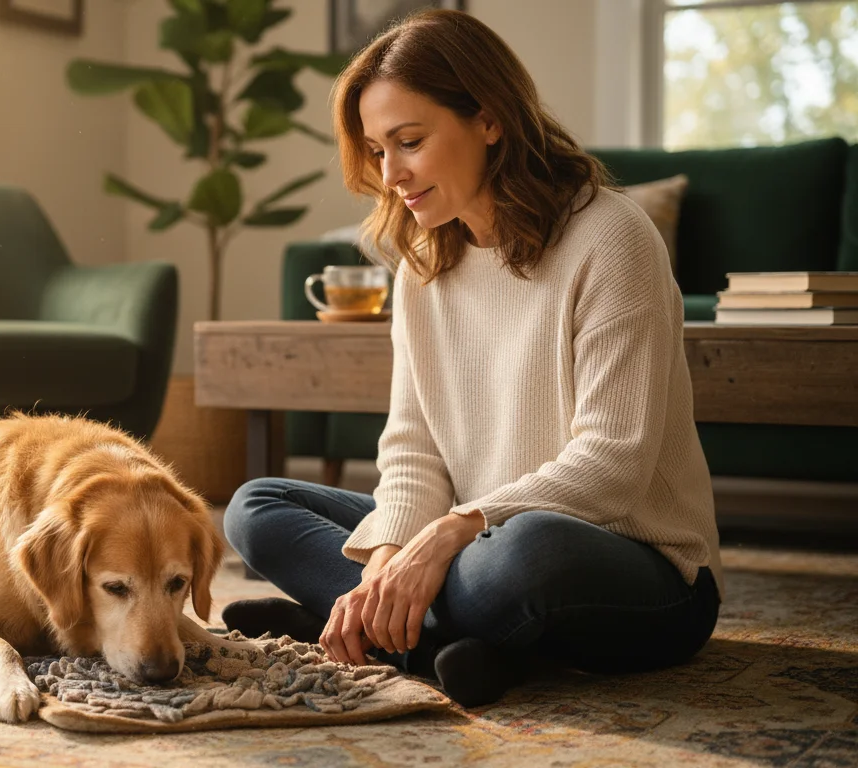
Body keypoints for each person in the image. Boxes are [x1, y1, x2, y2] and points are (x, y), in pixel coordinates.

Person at [221, 9, 722, 708]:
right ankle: (440, 644)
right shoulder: (424, 262)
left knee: (524, 554)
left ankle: (360, 627)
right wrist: (391, 556)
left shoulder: (612, 237)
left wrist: (453, 531)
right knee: (256, 506)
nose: (389, 173)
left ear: (489, 120)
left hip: (634, 570)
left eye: (409, 141)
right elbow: (414, 450)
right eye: (376, 150)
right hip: (477, 547)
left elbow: (614, 463)